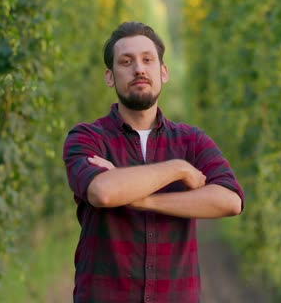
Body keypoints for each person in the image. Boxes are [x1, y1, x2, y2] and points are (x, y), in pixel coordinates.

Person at [63, 21, 244, 303]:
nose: (138, 69)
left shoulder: (191, 141)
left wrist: (139, 200)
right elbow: (103, 192)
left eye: (147, 59)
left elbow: (230, 200)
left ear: (163, 72)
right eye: (126, 61)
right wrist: (178, 169)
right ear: (109, 77)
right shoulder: (87, 137)